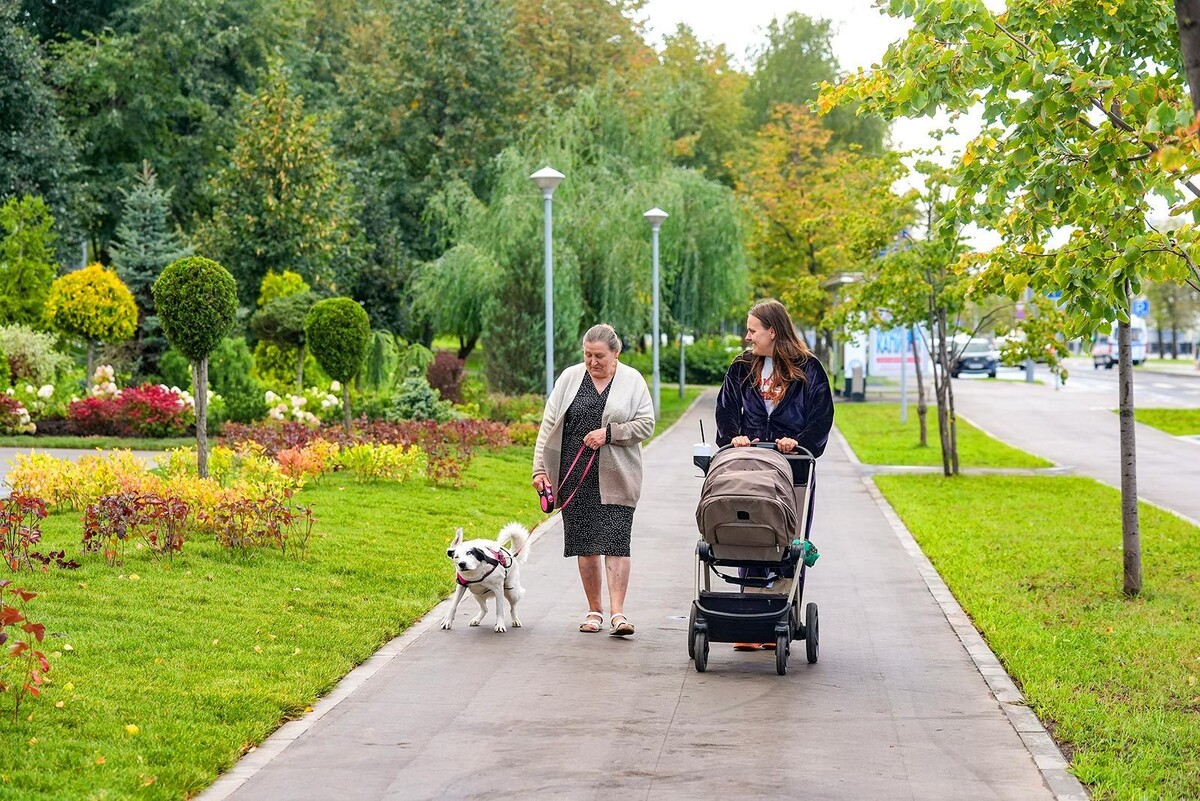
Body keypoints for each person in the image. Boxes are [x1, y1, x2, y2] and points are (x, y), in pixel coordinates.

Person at [715, 299, 834, 650]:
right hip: (750, 461)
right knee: (749, 532)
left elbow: (822, 416)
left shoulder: (808, 368)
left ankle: (781, 616)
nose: (748, 336)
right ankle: (750, 620)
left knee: (788, 540)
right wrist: (733, 435)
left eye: (753, 330)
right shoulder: (742, 367)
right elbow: (725, 409)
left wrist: (799, 442)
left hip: (793, 466)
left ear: (772, 330)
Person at [533, 324, 656, 637]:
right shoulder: (570, 378)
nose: (592, 361)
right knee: (585, 544)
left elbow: (646, 424)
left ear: (616, 354)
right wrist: (539, 470)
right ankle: (594, 611)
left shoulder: (632, 381)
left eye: (599, 355)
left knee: (616, 541)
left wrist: (610, 434)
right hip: (574, 475)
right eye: (587, 355)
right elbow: (549, 425)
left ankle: (618, 614)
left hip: (618, 476)